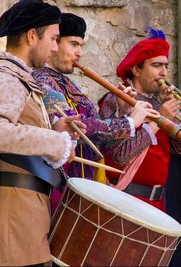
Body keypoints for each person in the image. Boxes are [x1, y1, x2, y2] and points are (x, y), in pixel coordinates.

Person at [0, 0, 84, 266]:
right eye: (53, 38)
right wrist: (53, 141)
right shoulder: (4, 75)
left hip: (26, 206)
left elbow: (15, 130)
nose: (53, 47)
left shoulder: (17, 76)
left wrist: (54, 130)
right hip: (12, 210)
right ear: (32, 35)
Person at [32, 13, 158, 212]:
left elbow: (101, 143)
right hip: (58, 189)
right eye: (74, 44)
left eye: (80, 45)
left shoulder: (68, 83)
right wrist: (129, 123)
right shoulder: (41, 79)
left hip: (82, 189)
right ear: (55, 42)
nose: (79, 53)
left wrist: (122, 112)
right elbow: (77, 127)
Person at [98, 28, 181, 211]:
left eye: (166, 66)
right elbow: (120, 156)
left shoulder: (158, 104)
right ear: (136, 69)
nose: (164, 72)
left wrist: (177, 116)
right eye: (156, 65)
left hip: (156, 203)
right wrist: (159, 121)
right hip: (125, 199)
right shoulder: (116, 99)